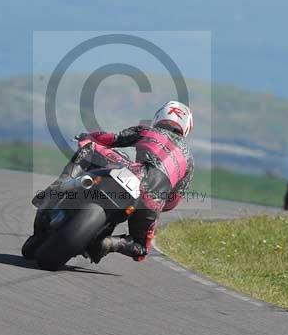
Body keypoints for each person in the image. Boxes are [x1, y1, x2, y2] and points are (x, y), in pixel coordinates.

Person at [32, 101, 195, 263]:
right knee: (141, 249)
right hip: (152, 198)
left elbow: (111, 138)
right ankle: (111, 243)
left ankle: (57, 188)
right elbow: (173, 201)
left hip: (132, 172)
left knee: (90, 149)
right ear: (186, 128)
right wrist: (158, 203)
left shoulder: (146, 131)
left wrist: (87, 137)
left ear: (159, 116)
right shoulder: (189, 161)